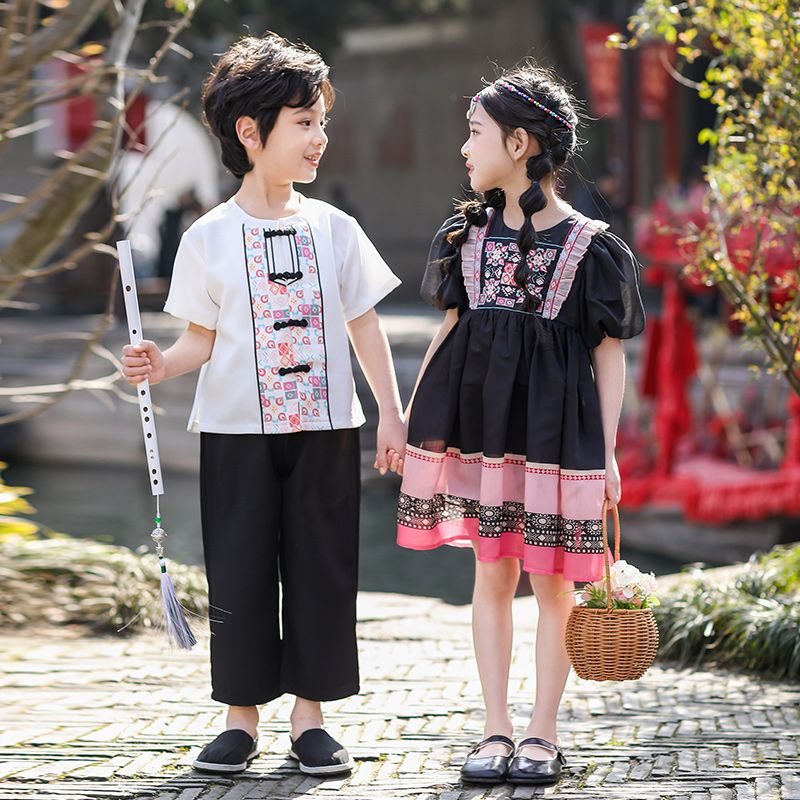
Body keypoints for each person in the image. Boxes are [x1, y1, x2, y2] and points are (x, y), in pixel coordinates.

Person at [122, 32, 405, 777]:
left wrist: (392, 414)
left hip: (327, 429)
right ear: (251, 133)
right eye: (304, 122)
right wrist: (159, 364)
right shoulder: (207, 237)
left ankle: (310, 719)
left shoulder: (336, 228)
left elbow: (364, 325)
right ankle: (240, 720)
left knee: (322, 567)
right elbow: (198, 342)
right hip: (236, 431)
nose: (320, 137)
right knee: (241, 568)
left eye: (321, 122)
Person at [396, 64, 645, 787]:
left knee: (554, 583)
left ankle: (543, 733)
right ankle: (496, 730)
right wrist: (411, 419)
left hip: (556, 434)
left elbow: (609, 356)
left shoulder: (593, 246)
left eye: (474, 134)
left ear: (518, 141)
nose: (465, 150)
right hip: (482, 426)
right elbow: (448, 333)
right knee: (491, 572)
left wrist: (606, 453)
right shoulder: (464, 236)